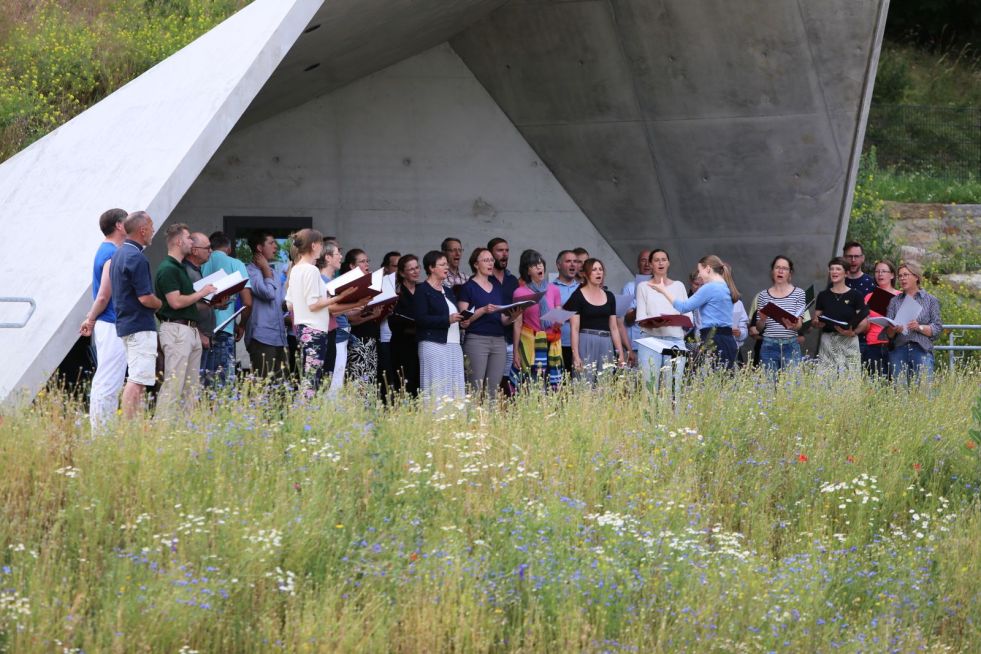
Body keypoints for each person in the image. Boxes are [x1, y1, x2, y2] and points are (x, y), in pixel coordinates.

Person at [286, 229, 358, 398]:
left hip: (302, 330)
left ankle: (303, 417)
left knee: (308, 379)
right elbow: (313, 304)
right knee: (314, 383)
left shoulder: (296, 268)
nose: (322, 248)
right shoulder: (311, 270)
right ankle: (307, 419)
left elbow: (290, 304)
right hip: (316, 331)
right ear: (314, 245)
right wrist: (340, 297)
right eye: (320, 245)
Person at [154, 223, 216, 417]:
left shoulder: (178, 268)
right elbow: (176, 302)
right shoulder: (168, 268)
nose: (191, 241)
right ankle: (162, 430)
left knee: (191, 386)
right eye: (189, 238)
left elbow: (187, 303)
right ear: (179, 241)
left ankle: (185, 431)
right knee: (174, 383)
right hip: (177, 330)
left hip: (189, 330)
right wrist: (203, 293)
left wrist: (210, 302)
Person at [109, 211, 163, 418]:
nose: (153, 231)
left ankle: (132, 424)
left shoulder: (119, 254)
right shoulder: (136, 257)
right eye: (151, 227)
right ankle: (128, 428)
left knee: (137, 377)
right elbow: (145, 298)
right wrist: (160, 303)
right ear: (142, 230)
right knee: (138, 379)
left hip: (126, 324)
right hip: (140, 325)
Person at [79, 208, 129, 430]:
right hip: (110, 323)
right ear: (119, 225)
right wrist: (90, 319)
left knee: (108, 378)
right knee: (108, 380)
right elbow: (103, 295)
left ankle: (102, 430)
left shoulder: (106, 250)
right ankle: (101, 432)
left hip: (108, 323)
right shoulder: (112, 254)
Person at [650, 255, 741, 369]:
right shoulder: (725, 287)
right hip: (727, 339)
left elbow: (683, 307)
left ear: (708, 269)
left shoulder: (710, 288)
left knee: (711, 380)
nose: (699, 275)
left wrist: (663, 290)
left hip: (713, 340)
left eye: (700, 270)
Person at [458, 248, 517, 401]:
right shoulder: (468, 287)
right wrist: (483, 310)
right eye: (486, 260)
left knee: (493, 388)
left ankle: (490, 422)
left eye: (491, 260)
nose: (491, 263)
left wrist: (513, 316)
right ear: (476, 264)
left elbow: (503, 319)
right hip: (477, 339)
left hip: (498, 340)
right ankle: (472, 422)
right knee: (474, 386)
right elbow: (464, 319)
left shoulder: (497, 287)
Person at [200, 232, 253, 387]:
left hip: (201, 328)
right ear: (229, 249)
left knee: (202, 378)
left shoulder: (199, 263)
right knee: (223, 382)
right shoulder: (235, 264)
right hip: (225, 328)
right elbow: (248, 302)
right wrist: (242, 325)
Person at [413, 250, 466, 402]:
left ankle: (454, 421)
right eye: (442, 264)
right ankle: (435, 420)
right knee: (437, 386)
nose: (446, 267)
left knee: (455, 387)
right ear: (431, 268)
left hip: (454, 344)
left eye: (446, 264)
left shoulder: (448, 291)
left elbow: (451, 316)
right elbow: (421, 319)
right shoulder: (422, 290)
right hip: (434, 344)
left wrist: (462, 322)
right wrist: (446, 320)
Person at [635, 249, 689, 395]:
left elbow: (688, 316)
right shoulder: (643, 287)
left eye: (663, 259)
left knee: (672, 390)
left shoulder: (679, 286)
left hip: (675, 340)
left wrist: (674, 321)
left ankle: (673, 418)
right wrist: (655, 323)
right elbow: (640, 319)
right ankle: (649, 418)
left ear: (668, 263)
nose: (660, 263)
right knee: (649, 390)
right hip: (650, 340)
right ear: (651, 264)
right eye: (656, 260)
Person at [564, 258, 626, 381]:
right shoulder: (577, 296)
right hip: (586, 340)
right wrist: (576, 355)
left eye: (600, 269)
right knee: (584, 382)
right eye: (594, 270)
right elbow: (574, 328)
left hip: (606, 342)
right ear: (586, 274)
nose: (598, 273)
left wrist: (620, 353)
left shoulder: (609, 296)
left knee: (605, 384)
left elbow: (613, 327)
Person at [510, 249, 563, 391]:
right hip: (531, 343)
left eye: (541, 263)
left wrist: (560, 320)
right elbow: (518, 324)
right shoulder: (520, 292)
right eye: (534, 265)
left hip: (552, 342)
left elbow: (558, 312)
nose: (540, 267)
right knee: (532, 385)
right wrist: (515, 351)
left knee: (552, 387)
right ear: (527, 271)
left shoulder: (554, 289)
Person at [885, 261, 942, 384]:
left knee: (923, 394)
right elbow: (888, 334)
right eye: (900, 276)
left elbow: (937, 329)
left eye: (906, 275)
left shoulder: (931, 300)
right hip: (899, 350)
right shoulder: (894, 301)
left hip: (921, 350)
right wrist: (894, 329)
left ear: (916, 277)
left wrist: (919, 327)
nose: (902, 278)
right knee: (899, 393)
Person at [813, 257, 870, 375]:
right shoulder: (823, 295)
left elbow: (864, 321)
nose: (834, 272)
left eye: (838, 269)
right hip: (828, 340)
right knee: (825, 379)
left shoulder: (856, 295)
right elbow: (815, 319)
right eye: (832, 269)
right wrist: (817, 323)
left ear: (846, 273)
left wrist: (854, 333)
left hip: (849, 339)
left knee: (850, 380)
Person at [245, 232, 289, 378]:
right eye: (271, 243)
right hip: (262, 337)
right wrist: (264, 269)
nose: (276, 246)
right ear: (259, 248)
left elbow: (282, 303)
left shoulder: (275, 273)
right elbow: (268, 294)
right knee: (265, 386)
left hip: (279, 336)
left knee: (282, 388)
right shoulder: (250, 271)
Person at [754, 256, 806, 373]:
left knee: (792, 385)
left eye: (784, 268)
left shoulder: (799, 293)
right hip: (769, 345)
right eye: (777, 267)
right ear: (772, 271)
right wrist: (762, 320)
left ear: (790, 273)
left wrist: (794, 325)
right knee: (769, 386)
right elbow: (758, 328)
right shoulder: (763, 295)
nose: (780, 271)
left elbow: (799, 325)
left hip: (790, 344)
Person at [342, 248, 385, 389]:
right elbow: (351, 319)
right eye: (362, 261)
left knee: (370, 381)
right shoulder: (346, 287)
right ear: (352, 266)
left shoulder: (369, 284)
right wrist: (371, 315)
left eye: (367, 261)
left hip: (370, 338)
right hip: (356, 340)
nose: (367, 264)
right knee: (357, 381)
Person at [183, 232, 217, 382]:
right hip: (197, 335)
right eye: (208, 248)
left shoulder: (196, 271)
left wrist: (215, 303)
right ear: (195, 250)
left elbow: (199, 304)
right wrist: (199, 333)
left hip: (205, 335)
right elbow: (184, 307)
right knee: (194, 382)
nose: (211, 251)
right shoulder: (186, 272)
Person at [389, 254, 421, 398]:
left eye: (417, 268)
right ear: (402, 273)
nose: (416, 271)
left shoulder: (423, 290)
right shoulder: (396, 293)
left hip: (421, 342)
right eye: (411, 269)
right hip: (402, 344)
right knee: (405, 383)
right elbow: (393, 321)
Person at [863, 259, 900, 376]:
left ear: (892, 275)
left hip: (895, 344)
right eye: (877, 271)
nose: (880, 274)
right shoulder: (869, 297)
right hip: (873, 343)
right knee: (874, 383)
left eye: (884, 271)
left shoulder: (900, 296)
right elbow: (865, 322)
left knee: (895, 382)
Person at [621, 249, 652, 367]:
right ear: (638, 264)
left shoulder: (661, 287)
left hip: (655, 345)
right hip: (635, 347)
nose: (647, 264)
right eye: (643, 261)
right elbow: (627, 321)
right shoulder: (629, 287)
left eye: (650, 261)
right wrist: (641, 304)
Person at [551, 250, 581, 373]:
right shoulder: (550, 288)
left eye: (575, 261)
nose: (573, 265)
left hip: (580, 345)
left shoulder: (583, 288)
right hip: (558, 343)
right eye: (568, 261)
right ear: (558, 265)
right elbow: (548, 316)